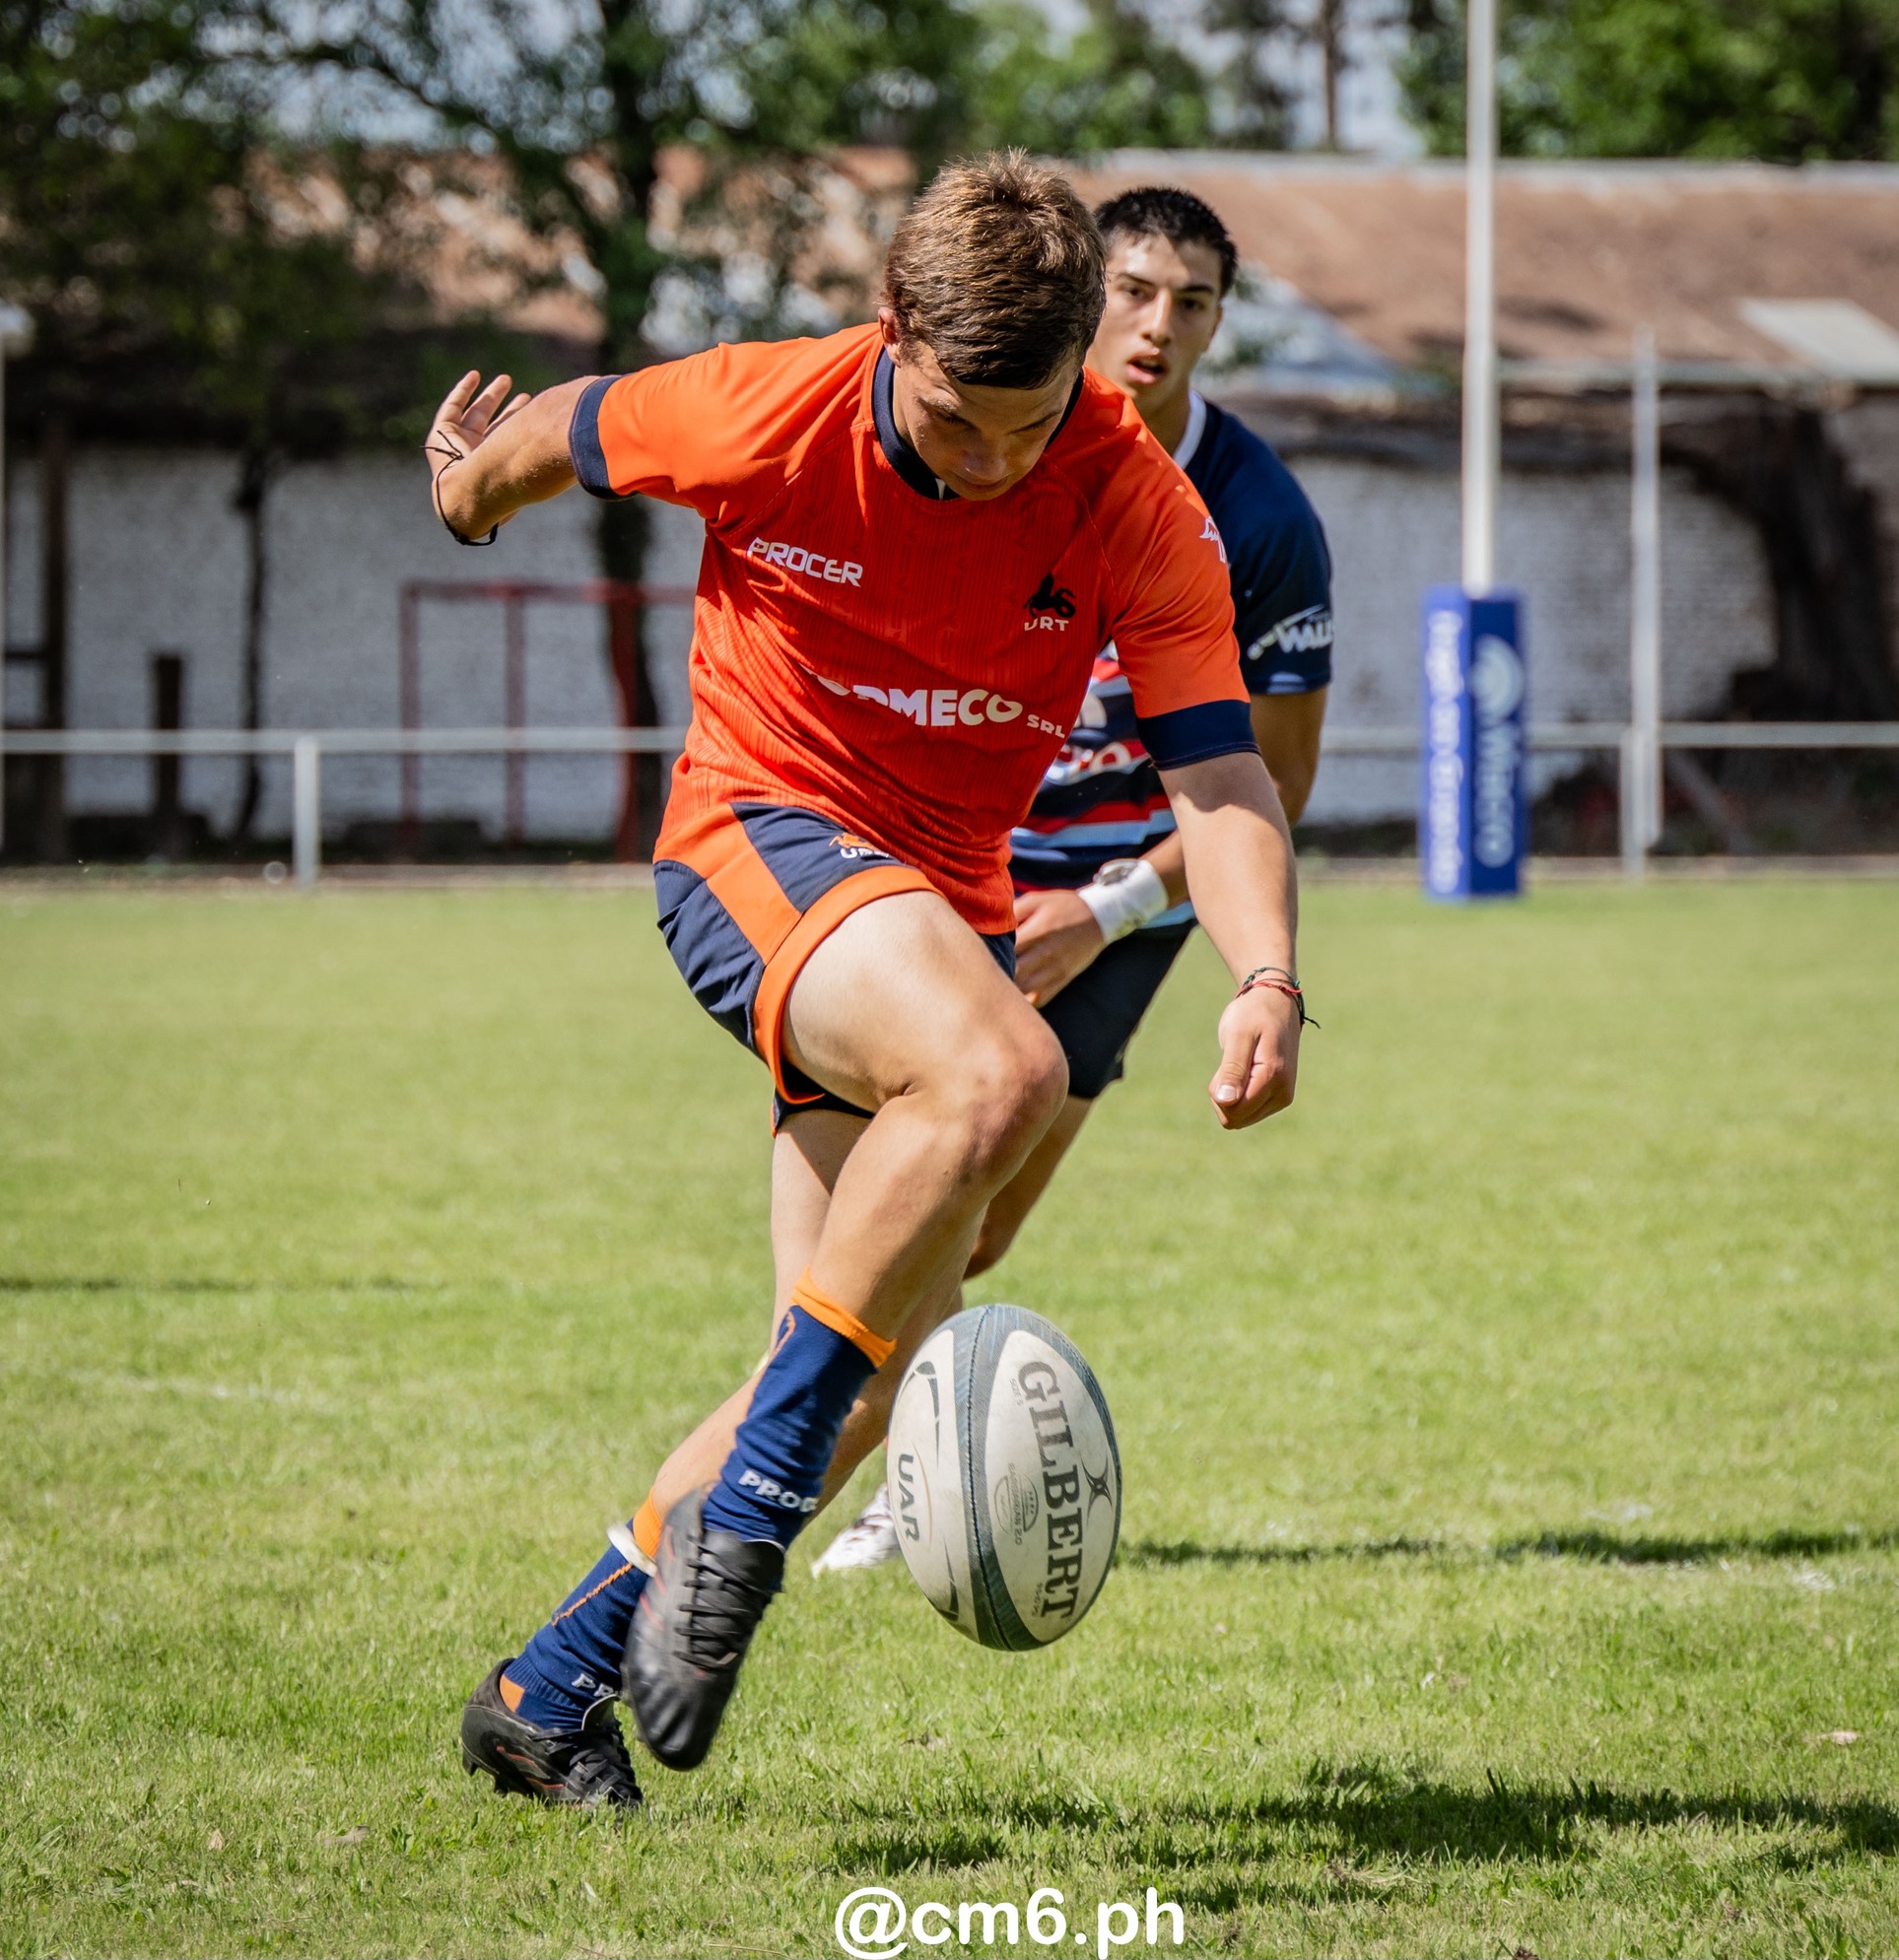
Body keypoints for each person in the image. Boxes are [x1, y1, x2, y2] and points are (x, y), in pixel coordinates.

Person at [433, 154, 1308, 1809]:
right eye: (956, 421)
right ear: (891, 326)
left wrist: (1266, 971)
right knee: (1002, 1072)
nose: (991, 465)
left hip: (930, 921)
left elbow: (1221, 772)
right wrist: (467, 495)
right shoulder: (767, 407)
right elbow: (555, 433)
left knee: (868, 1370)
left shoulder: (1133, 497)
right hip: (754, 840)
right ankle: (752, 1519)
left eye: (1027, 426)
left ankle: (544, 1690)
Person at [812, 185, 1333, 1578]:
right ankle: (891, 1480)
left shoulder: (1258, 516)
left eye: (1193, 302)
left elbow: (1273, 779)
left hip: (1128, 896)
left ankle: (857, 1461)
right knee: (906, 1193)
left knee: (975, 1228)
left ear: (1220, 321)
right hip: (943, 855)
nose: (1158, 326)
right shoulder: (972, 442)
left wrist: (1105, 914)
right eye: (1134, 291)